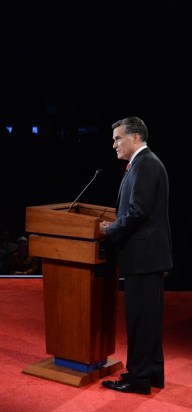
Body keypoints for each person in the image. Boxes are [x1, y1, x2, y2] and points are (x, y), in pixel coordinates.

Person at [99, 117, 172, 396]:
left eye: (118, 138)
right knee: (148, 318)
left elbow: (138, 212)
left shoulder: (146, 164)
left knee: (141, 319)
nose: (114, 144)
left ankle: (138, 378)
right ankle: (152, 373)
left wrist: (111, 229)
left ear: (136, 138)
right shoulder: (145, 163)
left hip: (144, 256)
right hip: (148, 256)